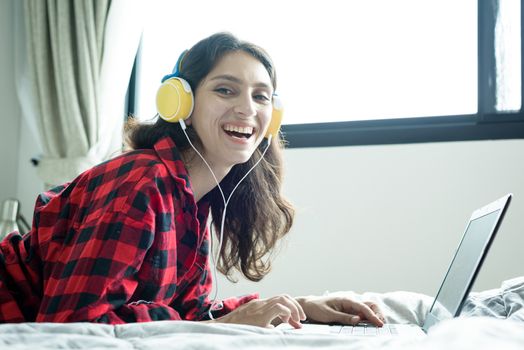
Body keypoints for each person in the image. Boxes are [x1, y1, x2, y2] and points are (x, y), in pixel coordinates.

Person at [0, 32, 384, 327]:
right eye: (225, 90)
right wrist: (227, 325)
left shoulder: (192, 198)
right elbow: (74, 324)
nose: (247, 108)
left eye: (261, 96)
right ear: (180, 103)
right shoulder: (141, 183)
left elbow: (189, 312)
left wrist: (300, 308)